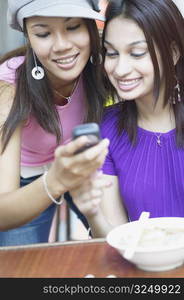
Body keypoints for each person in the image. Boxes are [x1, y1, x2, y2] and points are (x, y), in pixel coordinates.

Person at [70, 0, 184, 238]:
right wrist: (93, 213)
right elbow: (116, 238)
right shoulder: (107, 130)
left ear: (173, 53)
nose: (120, 69)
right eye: (111, 53)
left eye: (137, 53)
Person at [0, 0, 109, 246]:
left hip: (82, 164)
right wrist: (55, 180)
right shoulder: (8, 88)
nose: (62, 46)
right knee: (22, 270)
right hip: (28, 181)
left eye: (72, 27)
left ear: (91, 27)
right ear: (28, 36)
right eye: (43, 33)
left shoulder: (106, 64)